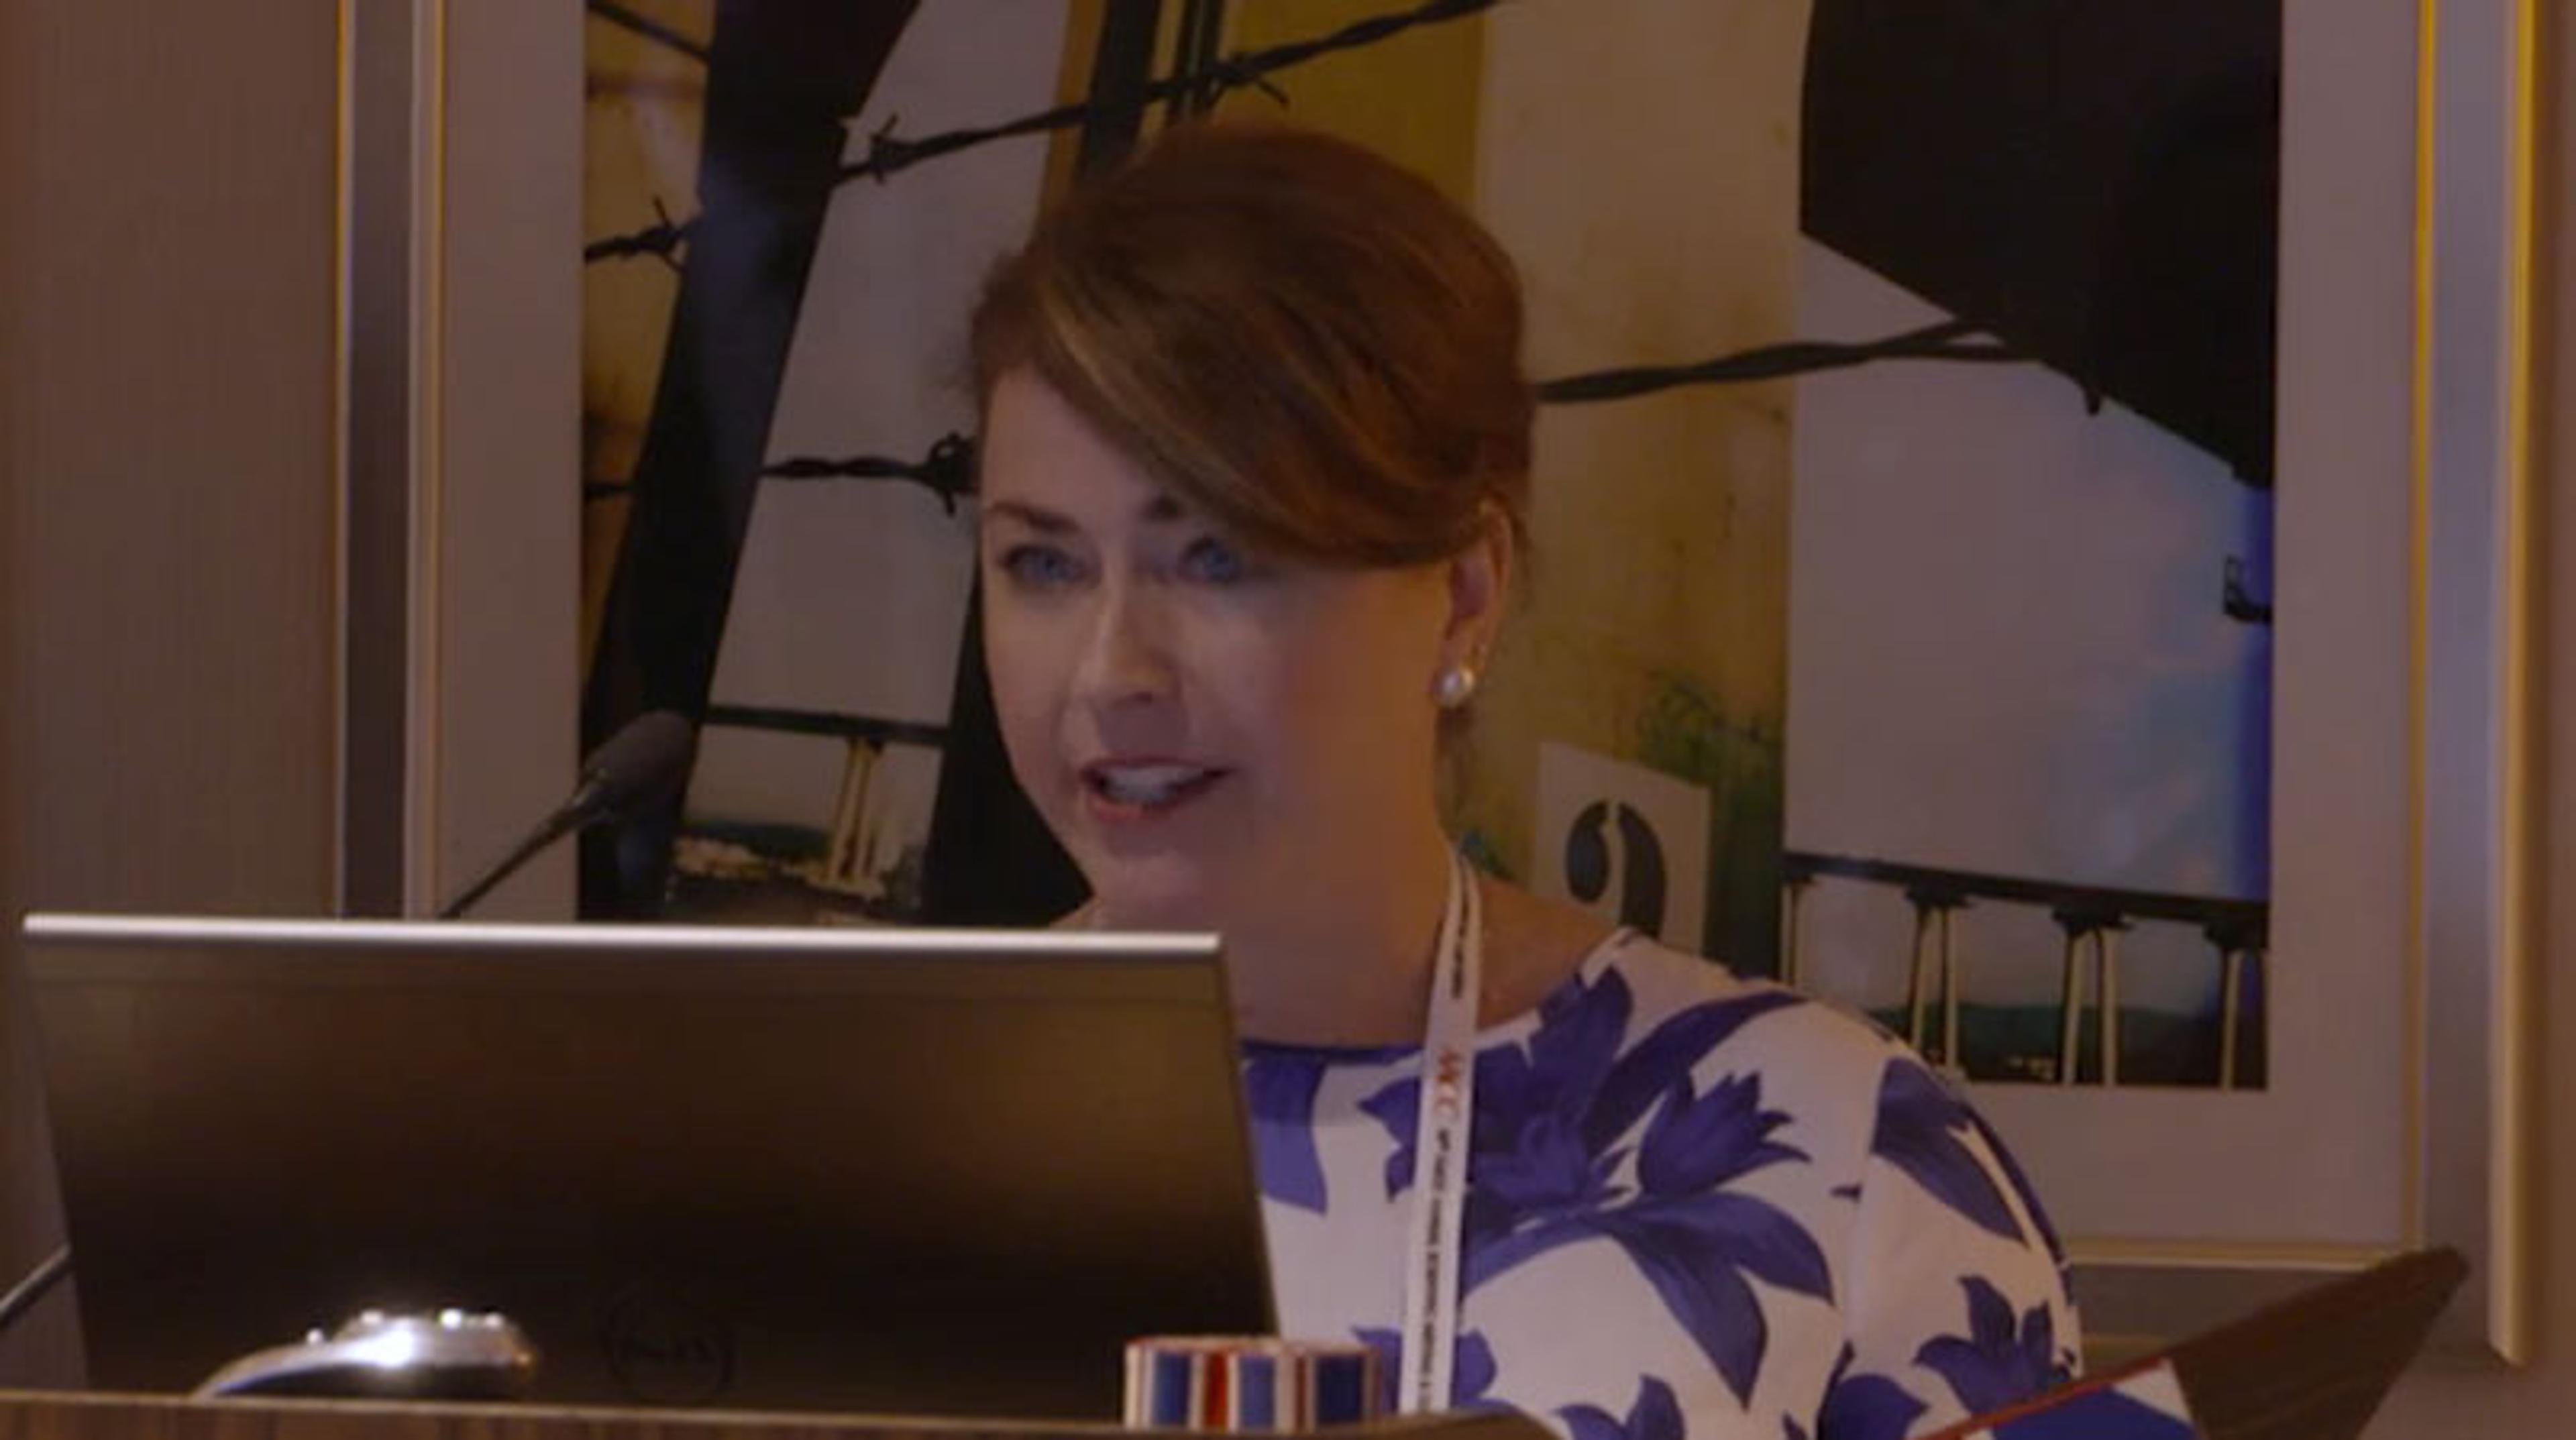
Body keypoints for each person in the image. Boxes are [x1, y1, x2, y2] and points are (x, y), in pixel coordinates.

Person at [966, 121, 2077, 1440]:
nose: (1110, 672)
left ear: (1462, 594)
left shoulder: (1843, 1155)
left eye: (1218, 557)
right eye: (1044, 564)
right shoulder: (849, 1138)